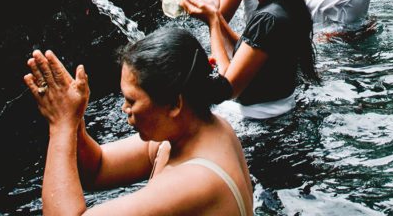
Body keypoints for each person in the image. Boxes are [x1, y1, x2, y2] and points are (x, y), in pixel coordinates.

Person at [24, 28, 253, 215]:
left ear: (174, 105)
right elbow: (97, 169)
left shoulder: (196, 180)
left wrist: (60, 127)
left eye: (131, 100)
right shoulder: (189, 131)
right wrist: (74, 120)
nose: (124, 108)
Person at [181, 0, 320, 120]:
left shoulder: (268, 19)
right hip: (280, 108)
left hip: (261, 120)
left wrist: (213, 22)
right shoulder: (287, 0)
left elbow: (226, 89)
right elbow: (247, 48)